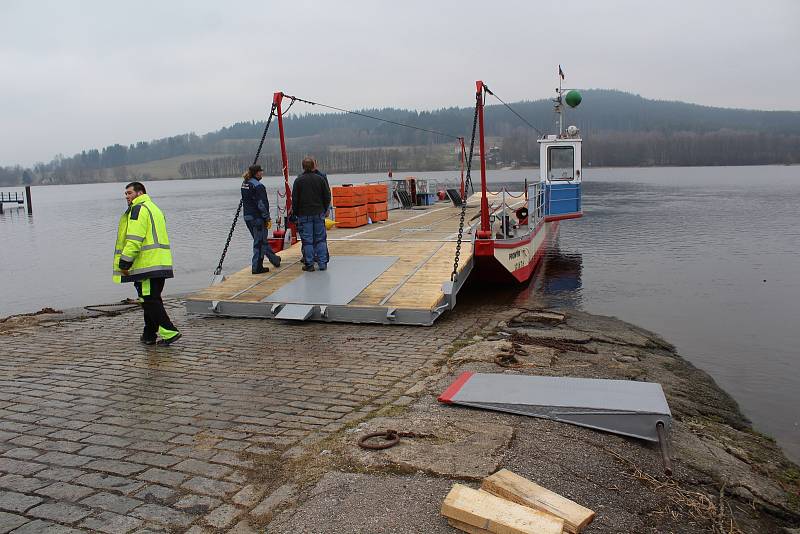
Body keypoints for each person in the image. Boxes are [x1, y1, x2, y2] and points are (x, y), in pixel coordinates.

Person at [113, 182, 181, 346]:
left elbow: (134, 240)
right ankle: (149, 334)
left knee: (149, 300)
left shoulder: (138, 210)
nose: (127, 197)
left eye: (129, 193)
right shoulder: (154, 208)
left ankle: (169, 331)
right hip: (161, 263)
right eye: (125, 194)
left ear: (140, 193)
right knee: (150, 300)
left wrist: (124, 263)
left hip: (147, 265)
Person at [291, 156, 331, 271]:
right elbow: (327, 196)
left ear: (303, 167)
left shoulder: (299, 180)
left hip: (304, 215)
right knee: (321, 239)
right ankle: (322, 263)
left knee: (307, 241)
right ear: (314, 166)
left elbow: (295, 199)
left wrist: (296, 212)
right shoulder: (320, 179)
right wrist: (324, 209)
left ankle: (309, 264)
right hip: (318, 213)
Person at [241, 164, 281, 274]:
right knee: (259, 243)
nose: (262, 173)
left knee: (261, 240)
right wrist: (267, 218)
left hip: (248, 217)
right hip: (258, 218)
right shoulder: (258, 186)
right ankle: (257, 267)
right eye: (260, 171)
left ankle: (274, 259)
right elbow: (261, 204)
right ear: (256, 173)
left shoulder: (245, 184)